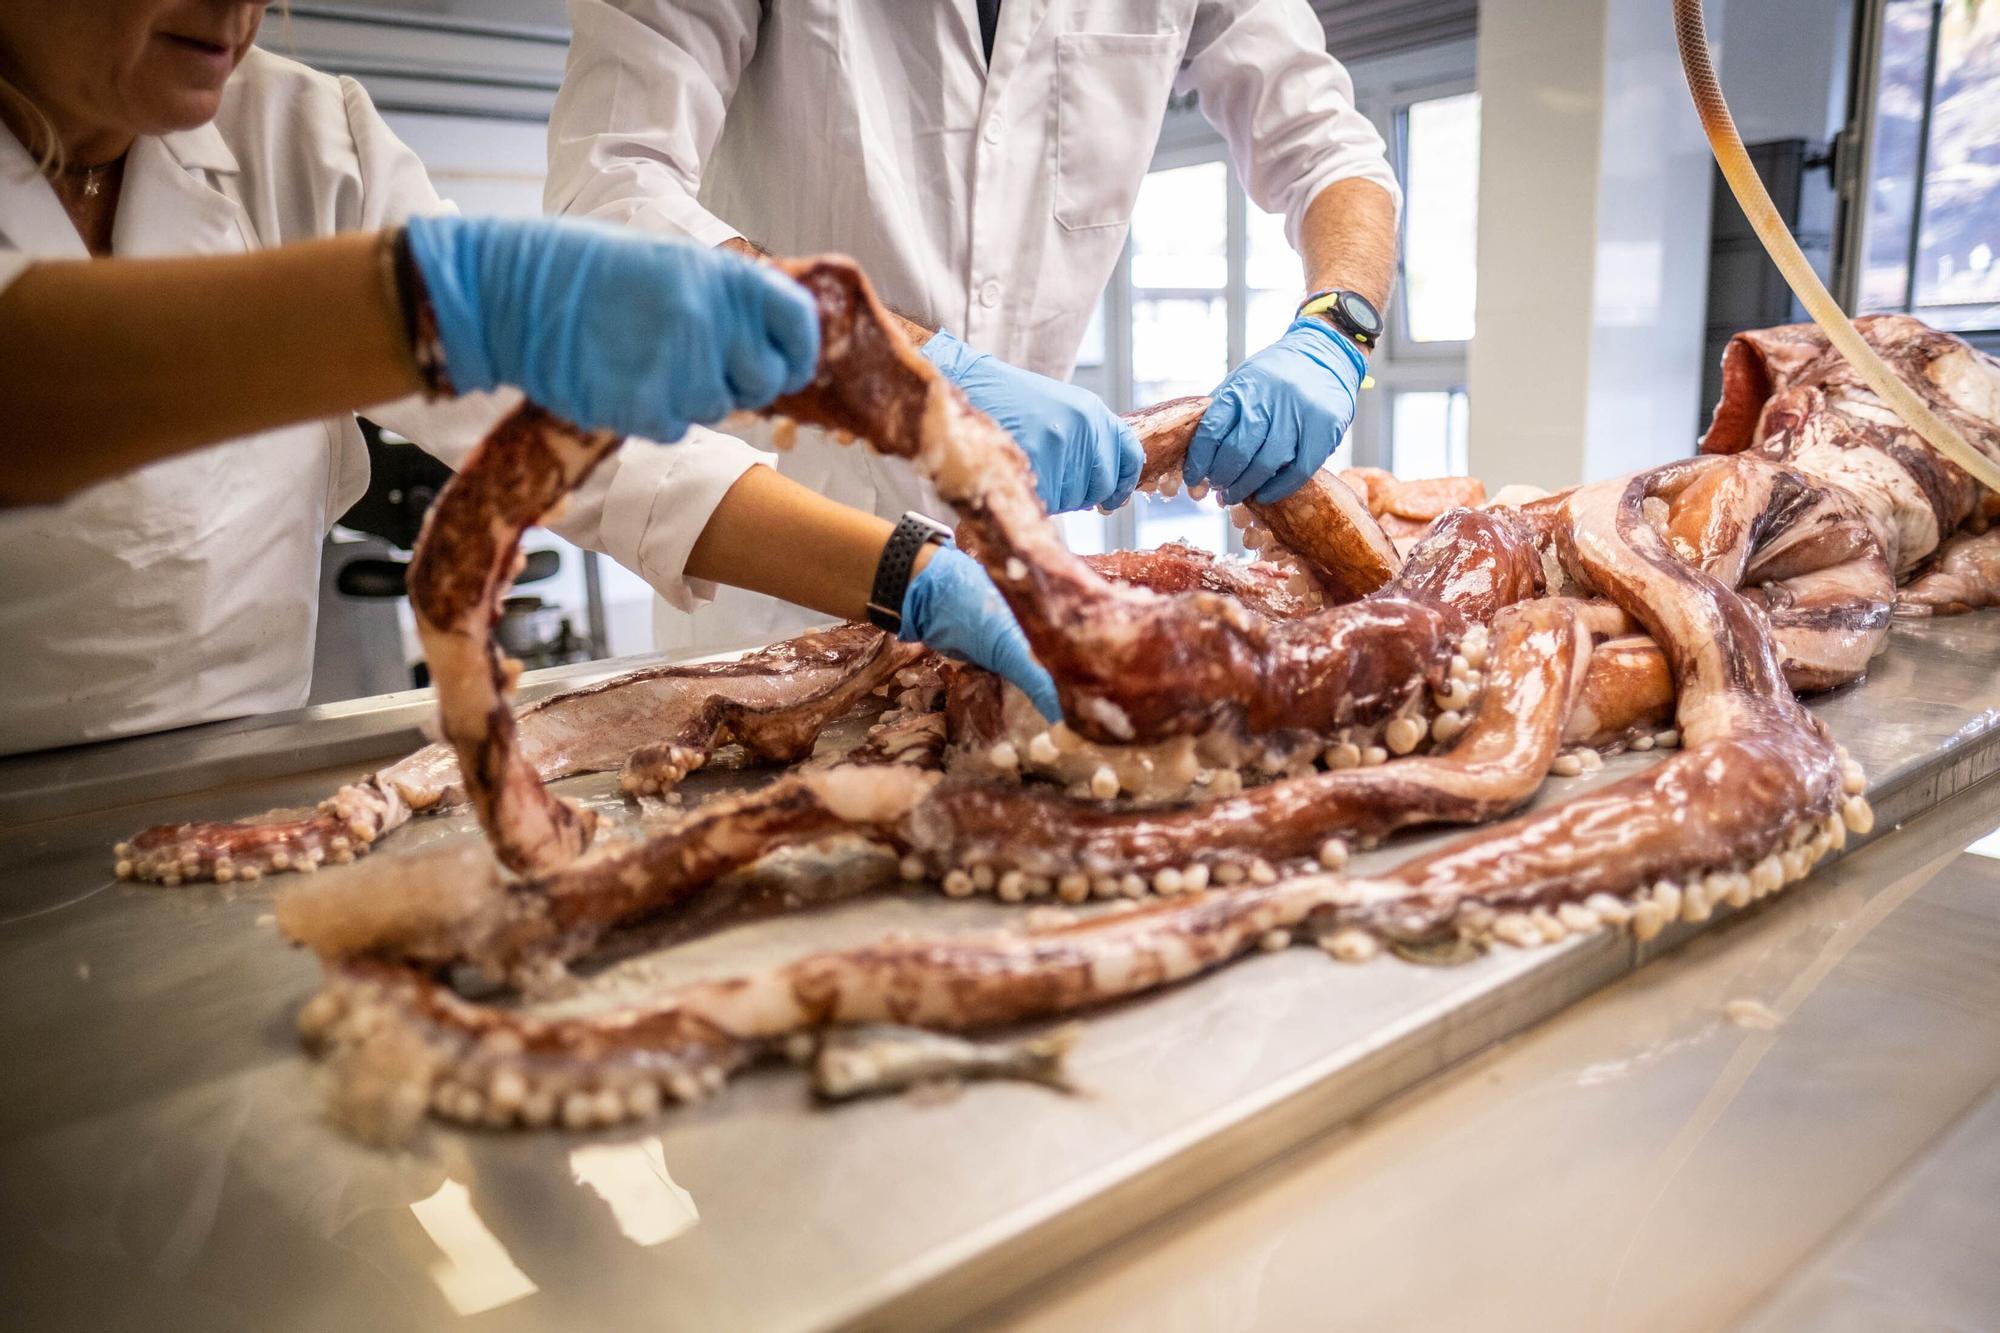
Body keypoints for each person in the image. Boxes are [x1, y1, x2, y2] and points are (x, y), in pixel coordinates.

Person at [0, 0, 1057, 757]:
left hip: (232, 771)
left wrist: (909, 573)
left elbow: (588, 442)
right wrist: (435, 303)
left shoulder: (302, 135)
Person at [546, 0, 1400, 655]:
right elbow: (610, 199)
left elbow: (1332, 150)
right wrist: (902, 369)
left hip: (1024, 567)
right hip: (781, 569)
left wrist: (1337, 327)